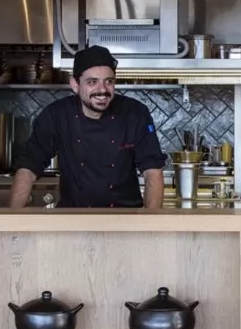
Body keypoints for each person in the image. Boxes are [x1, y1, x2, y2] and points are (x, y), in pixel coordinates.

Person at [9, 45, 166, 209]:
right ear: (75, 85)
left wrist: (150, 223)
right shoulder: (57, 115)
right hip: (73, 219)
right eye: (92, 82)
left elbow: (152, 171)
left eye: (109, 82)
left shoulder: (135, 113)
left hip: (124, 218)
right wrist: (11, 220)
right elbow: (28, 167)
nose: (102, 90)